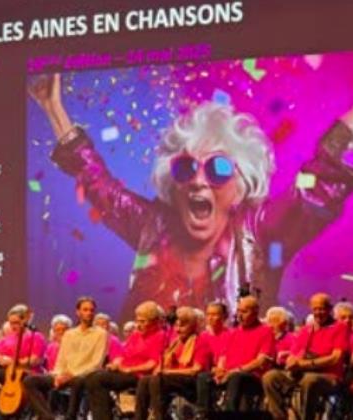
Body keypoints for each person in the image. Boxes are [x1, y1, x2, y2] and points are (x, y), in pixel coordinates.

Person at [28, 73, 353, 319]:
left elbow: (321, 183)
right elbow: (97, 182)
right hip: (151, 369)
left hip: (228, 372)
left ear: (241, 185)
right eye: (185, 168)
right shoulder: (152, 224)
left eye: (218, 168)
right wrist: (53, 107)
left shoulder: (259, 228)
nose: (198, 180)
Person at [263, 293, 349, 420]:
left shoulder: (340, 327)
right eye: (315, 309)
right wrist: (291, 362)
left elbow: (336, 358)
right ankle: (280, 416)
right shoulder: (306, 330)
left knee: (309, 380)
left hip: (329, 376)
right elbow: (293, 354)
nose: (318, 312)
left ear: (330, 309)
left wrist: (307, 364)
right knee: (270, 377)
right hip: (302, 373)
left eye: (321, 309)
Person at [23, 296, 107, 420]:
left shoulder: (101, 334)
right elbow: (61, 360)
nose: (89, 313)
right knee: (30, 381)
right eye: (85, 310)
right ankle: (47, 417)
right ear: (78, 312)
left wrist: (72, 375)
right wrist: (58, 375)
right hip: (64, 375)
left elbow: (96, 363)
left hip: (83, 376)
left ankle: (70, 417)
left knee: (78, 381)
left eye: (91, 310)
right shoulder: (69, 334)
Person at [85, 300, 165, 420]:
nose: (138, 325)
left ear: (154, 322)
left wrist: (129, 369)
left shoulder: (160, 336)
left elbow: (152, 363)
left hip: (139, 375)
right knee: (92, 377)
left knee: (98, 380)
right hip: (124, 371)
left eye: (143, 321)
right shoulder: (135, 335)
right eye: (137, 321)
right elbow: (123, 355)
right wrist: (115, 363)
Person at [197, 295, 274, 412]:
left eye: (244, 312)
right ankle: (203, 415)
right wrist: (220, 370)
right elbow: (223, 356)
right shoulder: (233, 332)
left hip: (251, 376)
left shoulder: (265, 331)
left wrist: (235, 371)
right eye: (238, 311)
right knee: (203, 377)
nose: (239, 315)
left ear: (255, 312)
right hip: (230, 374)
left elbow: (261, 361)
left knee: (236, 377)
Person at [135, 306, 210, 420]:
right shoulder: (175, 343)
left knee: (157, 379)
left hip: (192, 383)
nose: (178, 330)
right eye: (176, 325)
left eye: (182, 326)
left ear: (193, 326)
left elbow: (195, 370)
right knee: (144, 380)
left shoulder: (200, 342)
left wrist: (168, 372)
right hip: (173, 380)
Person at [0, 304, 46, 415]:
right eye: (11, 323)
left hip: (25, 373)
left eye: (16, 323)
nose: (13, 326)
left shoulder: (36, 336)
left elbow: (35, 360)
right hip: (7, 371)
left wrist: (12, 361)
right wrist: (2, 359)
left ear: (25, 320)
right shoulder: (7, 338)